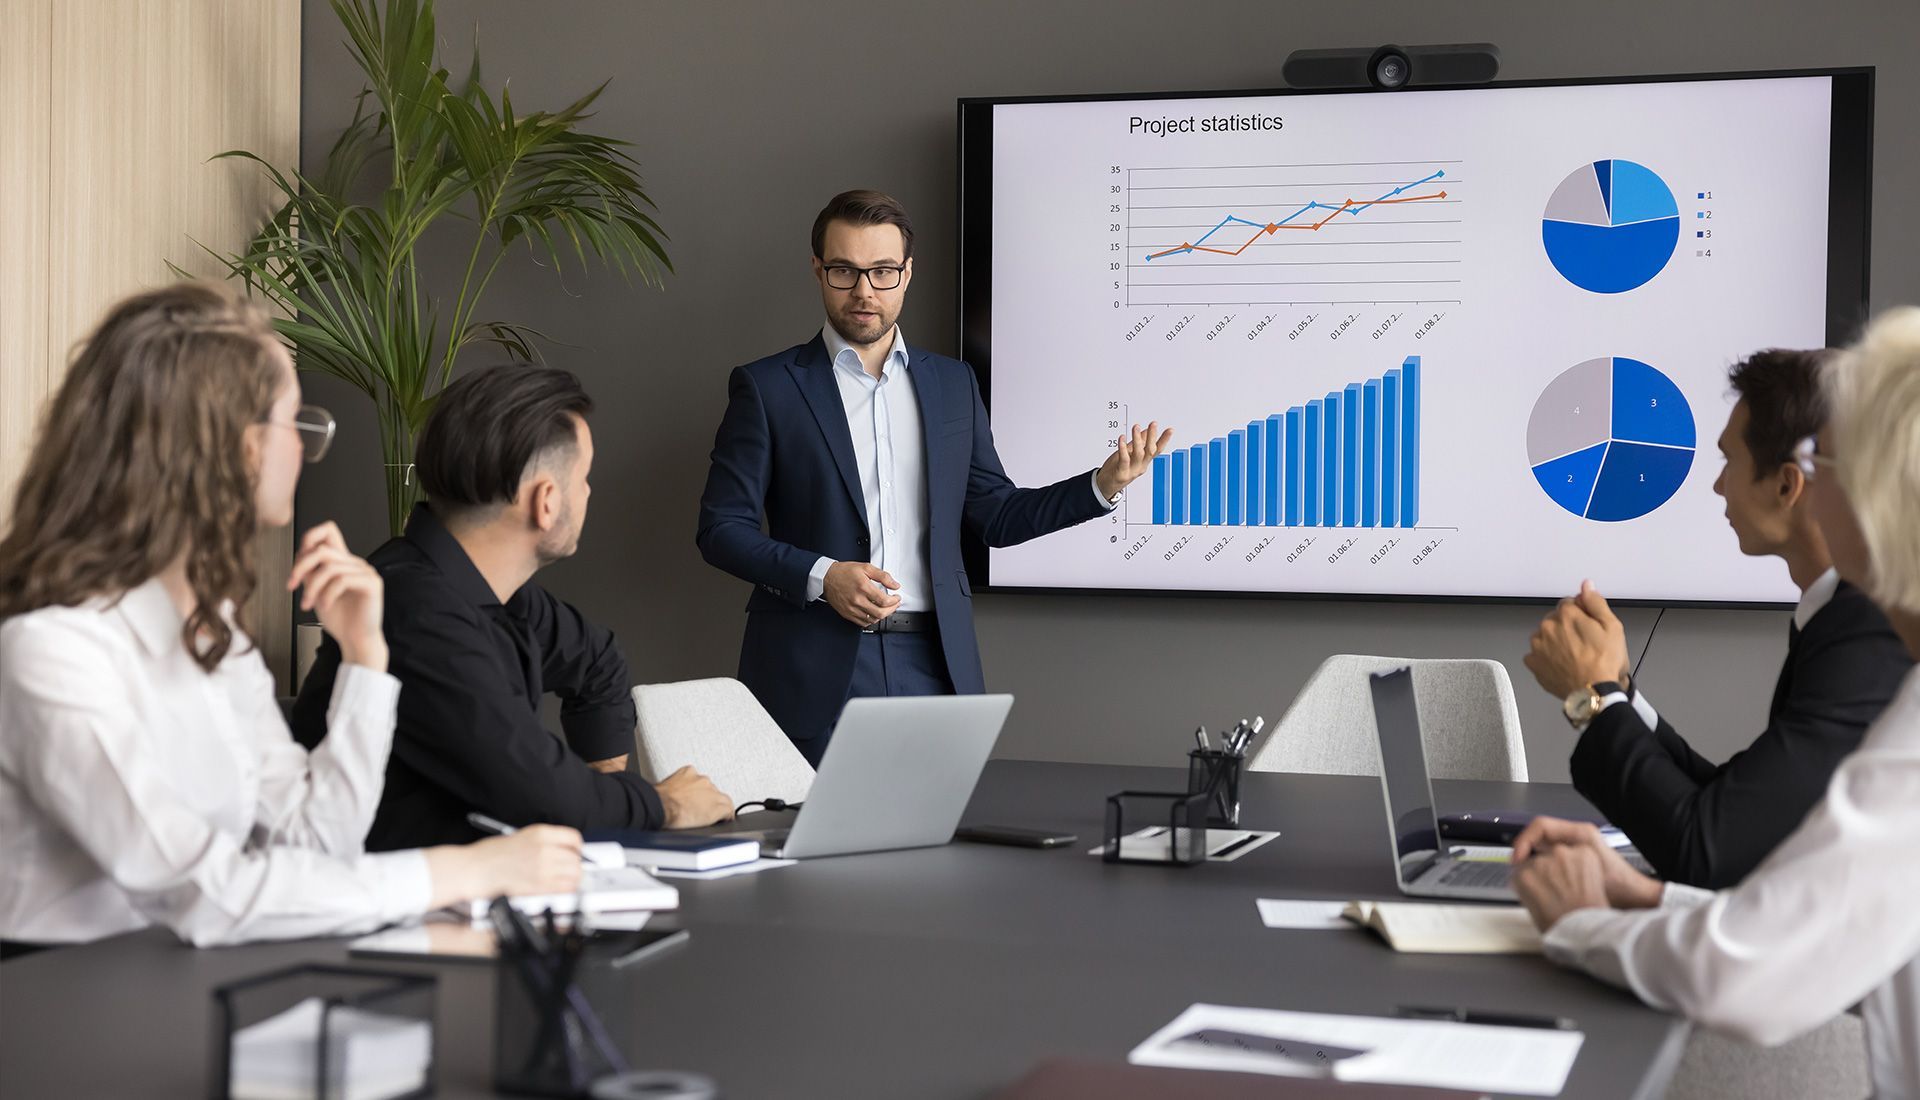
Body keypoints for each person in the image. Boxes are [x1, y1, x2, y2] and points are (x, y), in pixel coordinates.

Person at [0, 282, 582, 950]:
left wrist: (366, 658)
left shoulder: (210, 631)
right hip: (54, 1010)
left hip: (183, 984)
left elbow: (315, 842)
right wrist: (460, 871)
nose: (305, 451)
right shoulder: (52, 648)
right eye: (296, 423)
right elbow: (208, 891)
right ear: (237, 445)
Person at [1511, 308, 1920, 1096]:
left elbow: (1744, 947)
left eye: (1824, 465)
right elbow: (1771, 852)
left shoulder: (1878, 656)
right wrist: (1650, 892)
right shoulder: (1867, 644)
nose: (1715, 482)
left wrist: (1577, 924)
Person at [696, 189, 1171, 763]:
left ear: (908, 272)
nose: (864, 290)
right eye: (845, 271)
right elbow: (722, 529)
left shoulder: (952, 385)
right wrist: (824, 576)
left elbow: (995, 515)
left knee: (934, 848)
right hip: (811, 669)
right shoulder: (768, 387)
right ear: (818, 269)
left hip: (935, 662)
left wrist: (1101, 486)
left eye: (883, 271)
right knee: (808, 849)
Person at [294, 365, 733, 850]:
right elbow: (539, 793)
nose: (588, 492)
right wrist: (660, 805)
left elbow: (599, 661)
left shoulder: (498, 594)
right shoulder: (413, 613)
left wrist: (602, 807)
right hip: (382, 909)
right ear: (546, 502)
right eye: (584, 477)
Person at [1522, 349, 1911, 888]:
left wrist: (1591, 697)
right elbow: (1735, 806)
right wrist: (1618, 694)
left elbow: (1709, 849)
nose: (1717, 485)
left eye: (1729, 461)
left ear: (1786, 485)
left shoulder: (1867, 631)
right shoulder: (1840, 614)